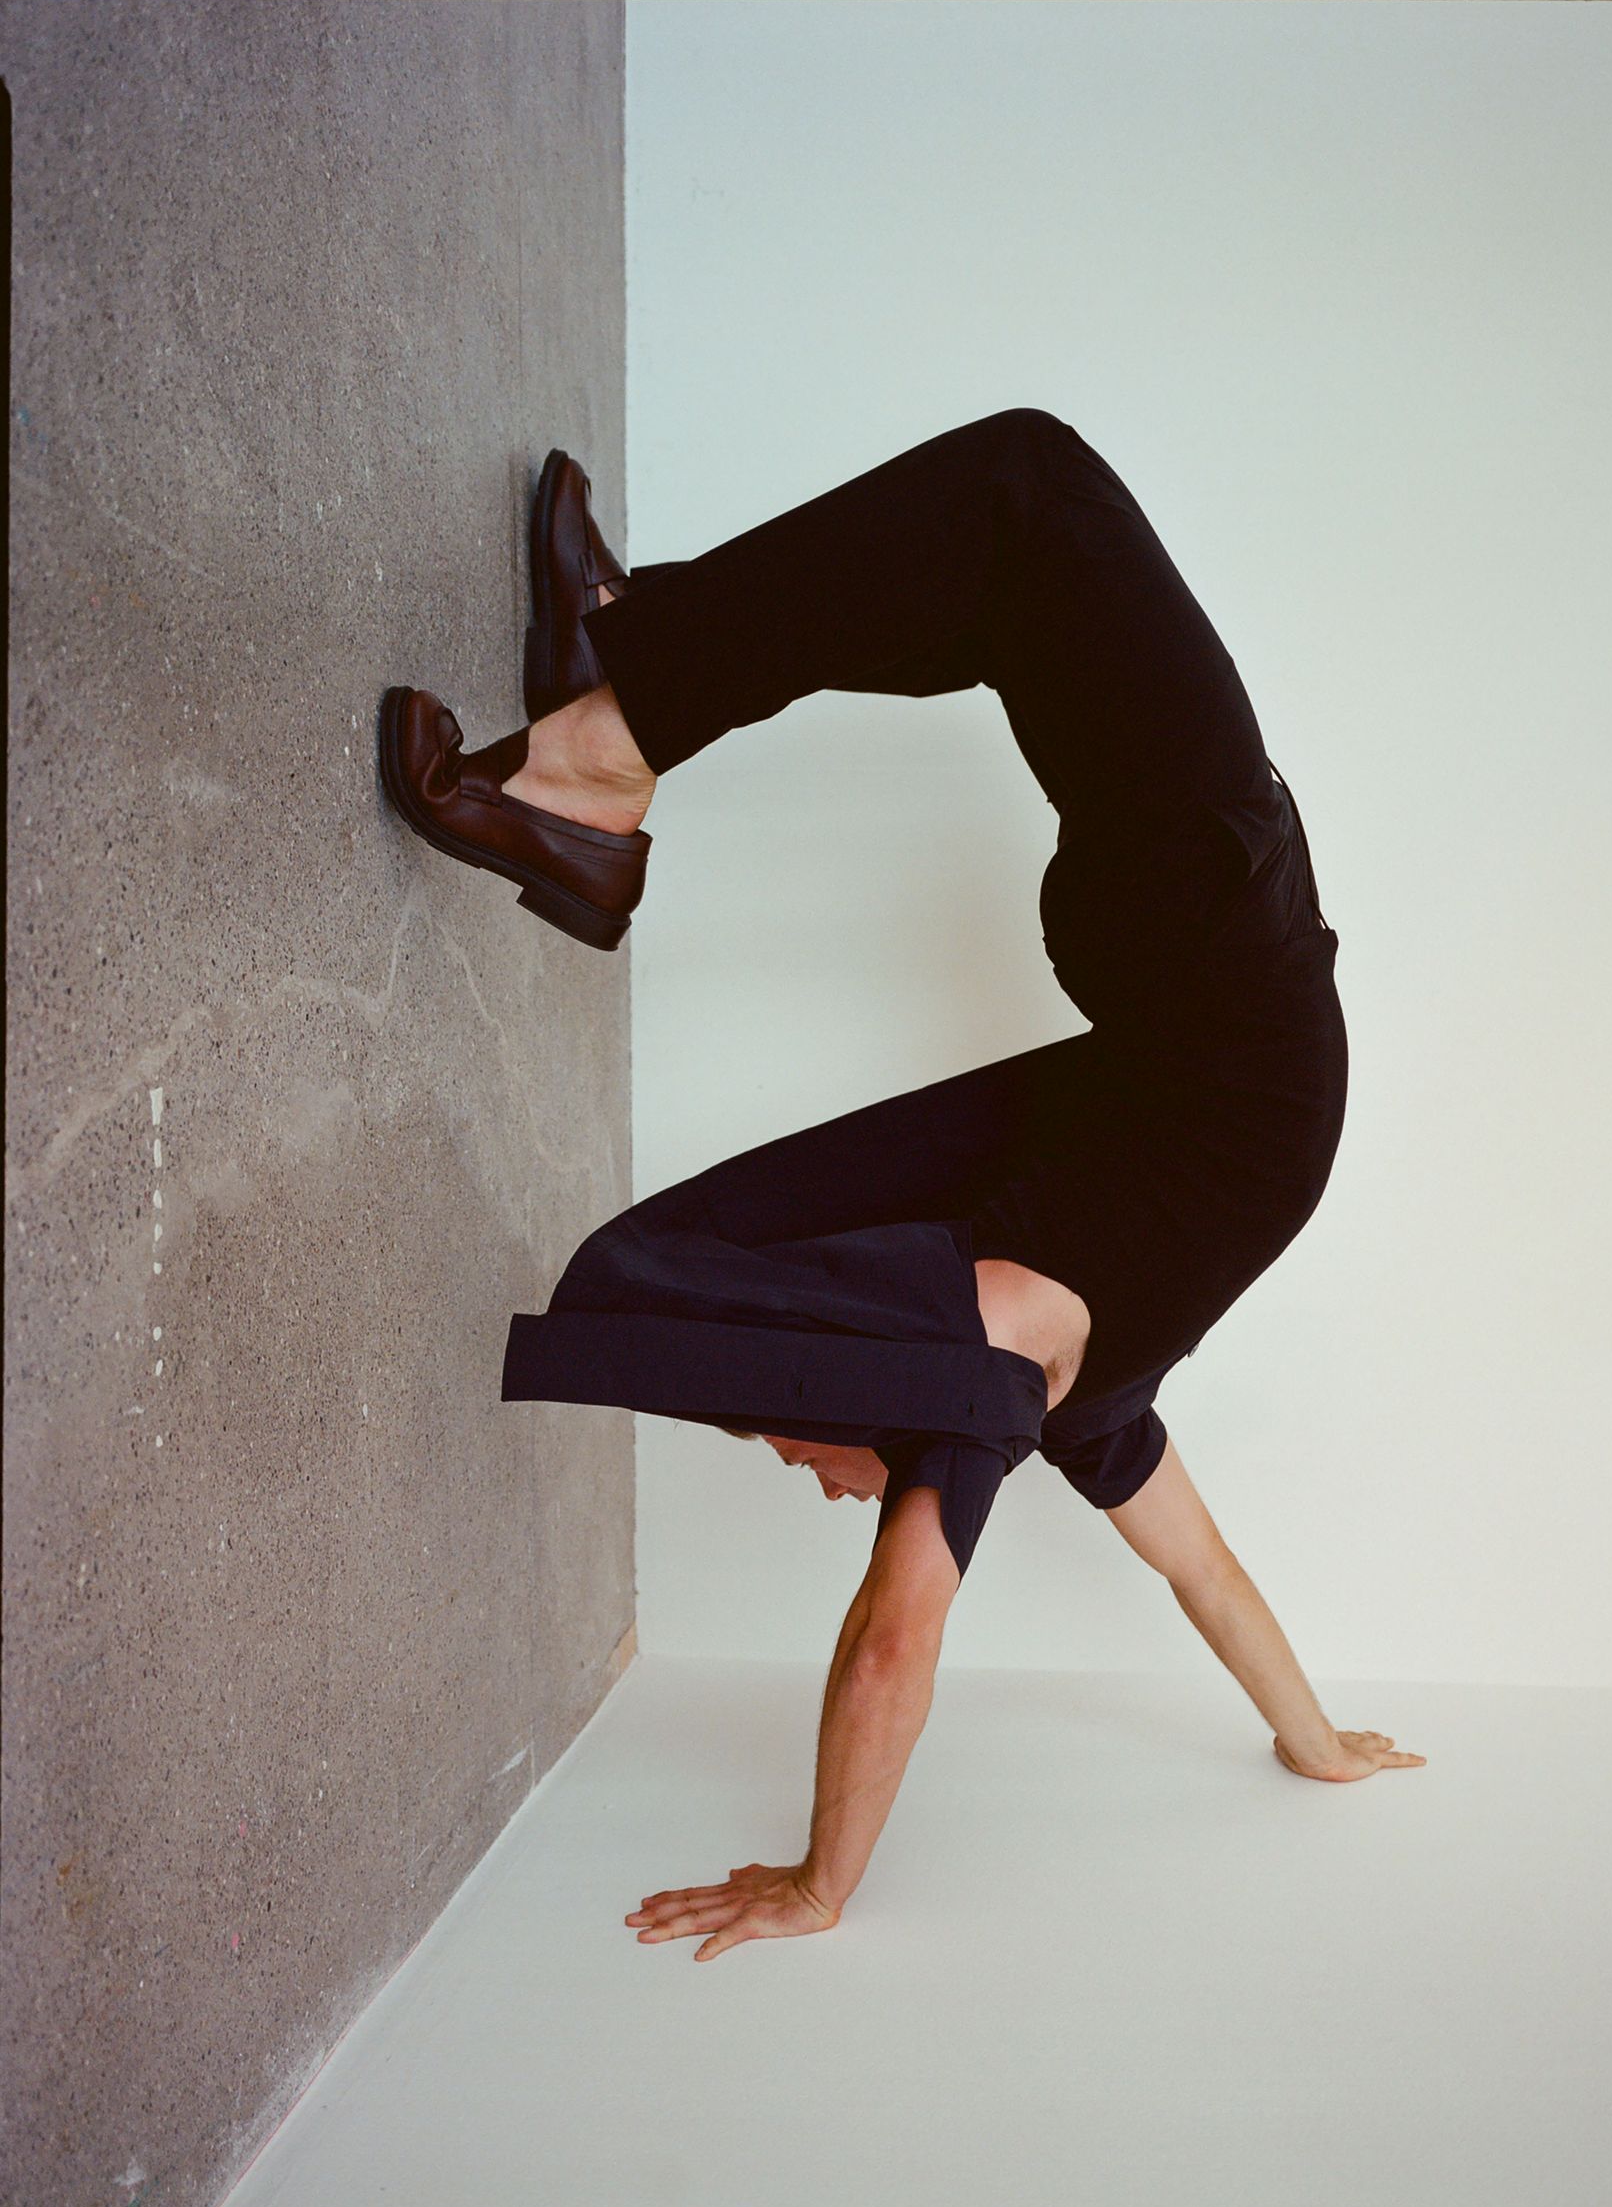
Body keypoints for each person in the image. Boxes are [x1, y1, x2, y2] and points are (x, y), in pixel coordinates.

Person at [378, 410, 1425, 1963]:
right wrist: (1311, 1735)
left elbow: (1015, 1601)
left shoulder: (1005, 1380)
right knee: (1026, 501)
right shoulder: (1023, 1396)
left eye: (791, 1451)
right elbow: (1123, 1593)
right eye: (805, 1449)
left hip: (1183, 979)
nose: (812, 1477)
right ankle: (612, 716)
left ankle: (608, 723)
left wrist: (824, 1880)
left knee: (1018, 536)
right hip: (1219, 984)